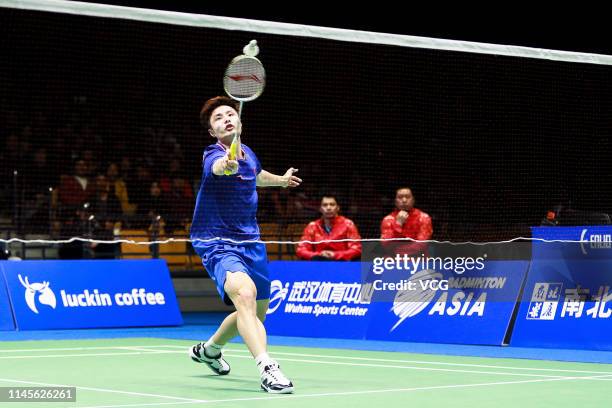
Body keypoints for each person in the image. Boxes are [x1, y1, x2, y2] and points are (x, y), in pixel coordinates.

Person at [189, 96, 301, 394]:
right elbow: (221, 167)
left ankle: (209, 350)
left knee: (253, 313)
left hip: (251, 242)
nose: (226, 118)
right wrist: (226, 163)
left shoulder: (248, 153)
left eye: (230, 114)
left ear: (239, 121)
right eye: (218, 118)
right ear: (212, 132)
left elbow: (255, 175)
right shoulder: (212, 154)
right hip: (217, 241)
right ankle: (268, 368)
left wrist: (279, 180)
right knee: (245, 294)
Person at [296, 195, 362, 260]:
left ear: (338, 208)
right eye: (325, 205)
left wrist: (335, 255)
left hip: (341, 263)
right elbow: (301, 249)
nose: (328, 208)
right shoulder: (312, 226)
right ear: (320, 209)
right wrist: (318, 255)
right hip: (319, 262)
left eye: (332, 205)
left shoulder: (348, 224)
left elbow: (356, 249)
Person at [380, 187, 433, 255]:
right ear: (395, 201)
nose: (404, 200)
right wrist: (398, 225)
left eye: (408, 197)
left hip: (418, 261)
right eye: (400, 197)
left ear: (413, 200)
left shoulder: (424, 218)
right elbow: (386, 245)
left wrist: (399, 252)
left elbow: (421, 245)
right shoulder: (388, 220)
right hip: (393, 261)